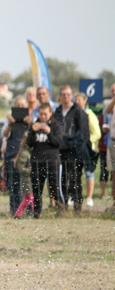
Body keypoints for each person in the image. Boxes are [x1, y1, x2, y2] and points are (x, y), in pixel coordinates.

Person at [54, 85, 89, 213]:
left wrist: (78, 146)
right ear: (60, 96)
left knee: (75, 179)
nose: (65, 96)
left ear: (72, 95)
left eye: (68, 94)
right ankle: (62, 206)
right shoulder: (57, 111)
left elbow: (84, 132)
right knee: (61, 179)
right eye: (63, 94)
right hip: (60, 150)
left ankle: (77, 207)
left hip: (74, 150)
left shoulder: (78, 111)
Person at [27, 103, 62, 218]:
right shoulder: (35, 124)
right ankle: (37, 212)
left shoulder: (55, 125)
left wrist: (49, 133)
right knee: (37, 188)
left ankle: (60, 210)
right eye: (41, 114)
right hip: (37, 160)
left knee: (54, 187)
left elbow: (58, 143)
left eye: (45, 114)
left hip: (52, 160)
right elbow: (29, 143)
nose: (42, 116)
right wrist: (32, 131)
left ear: (50, 113)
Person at [1, 96, 30, 216]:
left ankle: (27, 209)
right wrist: (10, 124)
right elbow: (5, 134)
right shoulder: (10, 119)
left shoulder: (30, 119)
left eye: (23, 105)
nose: (20, 108)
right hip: (12, 154)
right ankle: (14, 209)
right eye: (18, 105)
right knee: (14, 184)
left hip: (25, 156)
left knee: (26, 185)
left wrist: (30, 123)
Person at [75, 92, 101, 208]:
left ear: (85, 101)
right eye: (75, 100)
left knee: (88, 172)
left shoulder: (89, 114)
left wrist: (87, 141)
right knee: (76, 173)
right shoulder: (74, 114)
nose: (77, 102)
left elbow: (97, 133)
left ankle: (89, 198)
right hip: (76, 147)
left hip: (88, 148)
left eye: (79, 100)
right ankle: (75, 196)